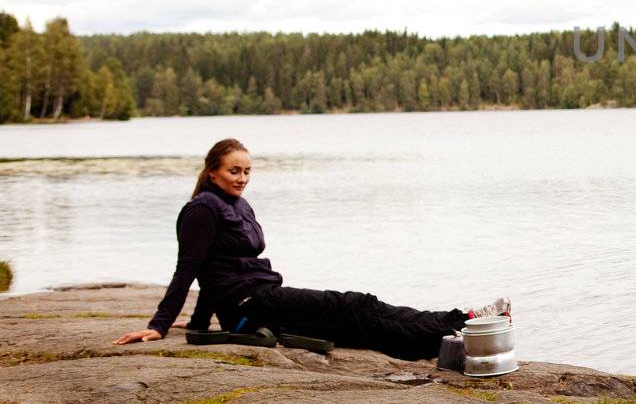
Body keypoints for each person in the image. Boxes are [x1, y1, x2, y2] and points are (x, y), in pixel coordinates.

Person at [114, 138, 508, 359]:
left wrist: (200, 323)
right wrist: (159, 326)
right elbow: (190, 269)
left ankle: (453, 340)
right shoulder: (200, 210)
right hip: (251, 308)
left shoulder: (239, 205)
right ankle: (464, 319)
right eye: (234, 171)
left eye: (248, 171)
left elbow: (215, 271)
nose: (243, 178)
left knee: (357, 324)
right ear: (213, 170)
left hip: (262, 298)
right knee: (357, 305)